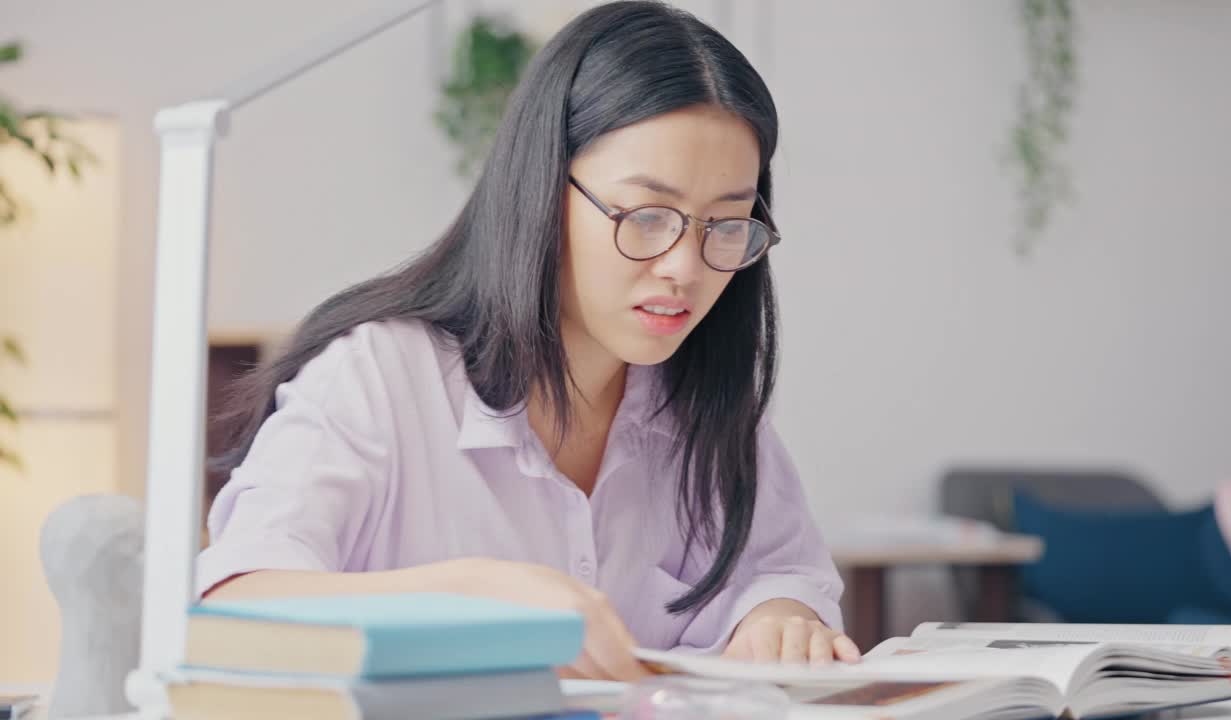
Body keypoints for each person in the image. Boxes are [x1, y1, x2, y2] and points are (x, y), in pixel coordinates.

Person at [196, 0, 855, 681]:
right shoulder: (380, 376)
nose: (685, 267)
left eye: (725, 223)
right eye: (647, 215)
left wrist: (780, 614)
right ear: (543, 188)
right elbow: (231, 608)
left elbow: (785, 570)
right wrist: (471, 592)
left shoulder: (707, 410)